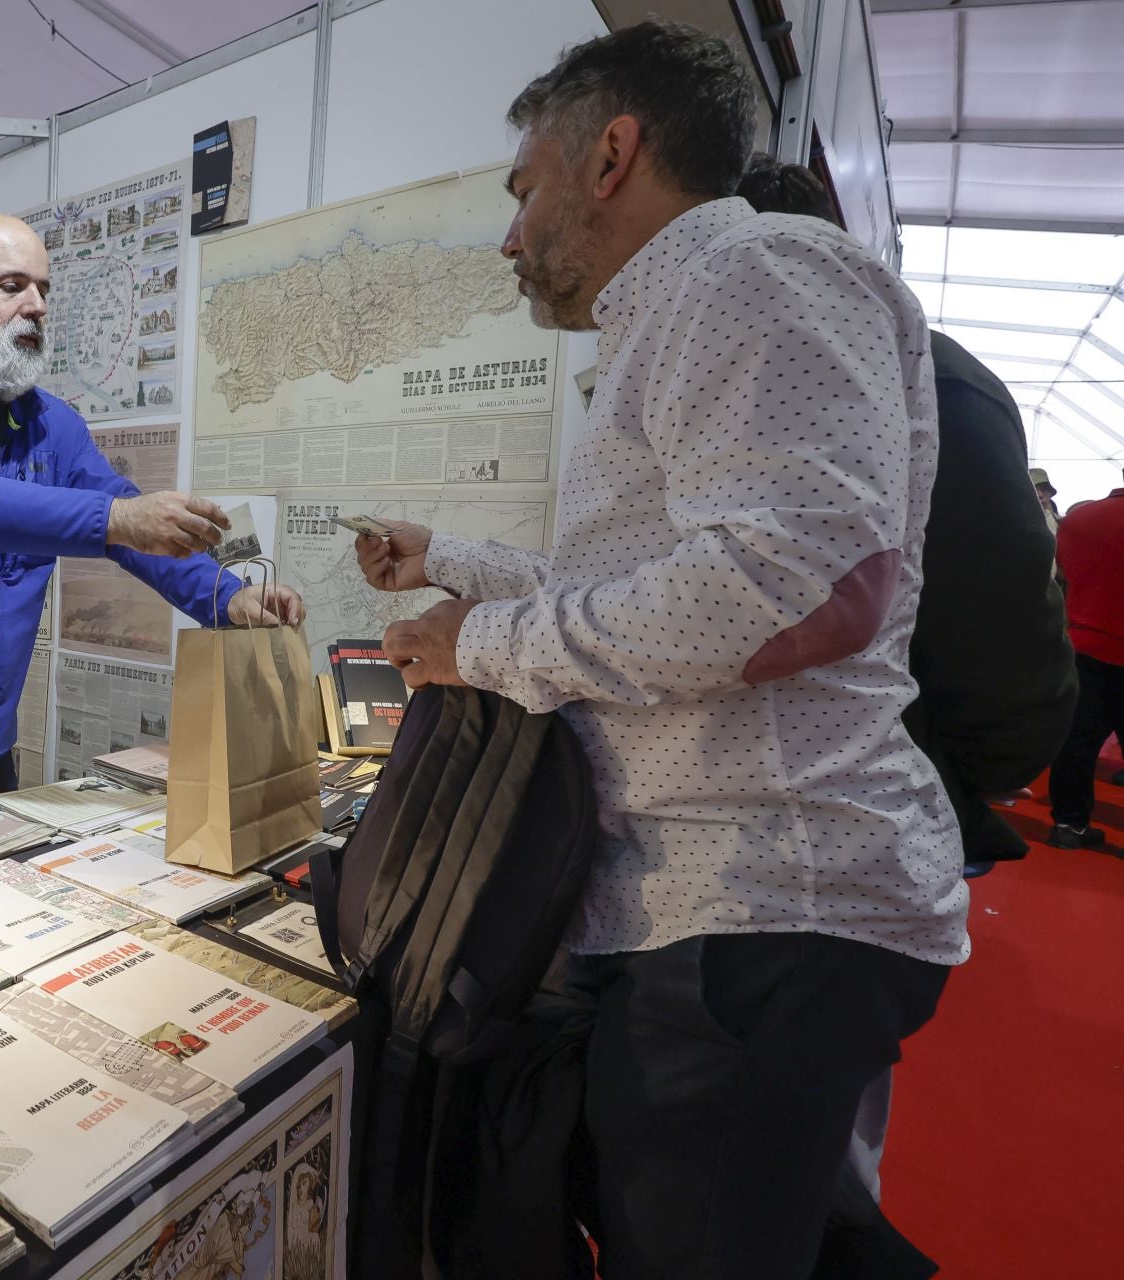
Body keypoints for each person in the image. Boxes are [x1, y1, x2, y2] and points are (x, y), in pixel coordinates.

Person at [363, 23, 964, 1275]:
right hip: (719, 907)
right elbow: (654, 592)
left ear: (611, 154)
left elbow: (777, 592)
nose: (510, 235)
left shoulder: (753, 273)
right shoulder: (686, 312)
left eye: (523, 189)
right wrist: (456, 568)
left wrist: (488, 648)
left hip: (759, 895)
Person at [0, 212, 302, 840]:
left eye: (44, 289)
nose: (38, 306)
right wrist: (117, 519)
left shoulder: (53, 425)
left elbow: (135, 535)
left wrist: (229, 598)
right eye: (12, 286)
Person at [735, 154, 1076, 879]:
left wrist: (941, 780)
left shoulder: (931, 382)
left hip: (864, 818)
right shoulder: (719, 381)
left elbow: (1001, 632)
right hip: (739, 811)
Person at [1046, 481, 1124, 851]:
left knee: (1076, 743)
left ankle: (1068, 825)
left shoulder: (1080, 518)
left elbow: (1061, 573)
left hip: (1083, 647)